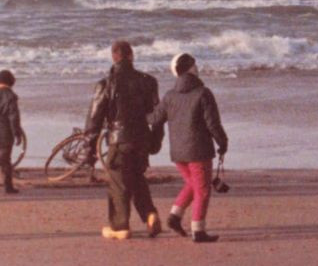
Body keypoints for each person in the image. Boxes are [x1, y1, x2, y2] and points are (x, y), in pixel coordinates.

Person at [86, 40, 164, 240]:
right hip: (142, 139)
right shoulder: (149, 81)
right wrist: (156, 141)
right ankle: (150, 214)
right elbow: (158, 116)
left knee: (118, 182)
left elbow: (94, 118)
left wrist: (89, 149)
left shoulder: (105, 84)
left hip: (118, 140)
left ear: (114, 57)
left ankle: (120, 226)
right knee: (137, 179)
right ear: (131, 56)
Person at [150, 53, 229, 243]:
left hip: (178, 153)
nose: (197, 67)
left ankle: (174, 217)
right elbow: (213, 123)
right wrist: (222, 142)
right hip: (198, 151)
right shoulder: (203, 93)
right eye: (194, 64)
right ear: (190, 69)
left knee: (194, 184)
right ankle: (198, 230)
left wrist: (132, 115)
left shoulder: (170, 96)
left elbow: (154, 119)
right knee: (202, 190)